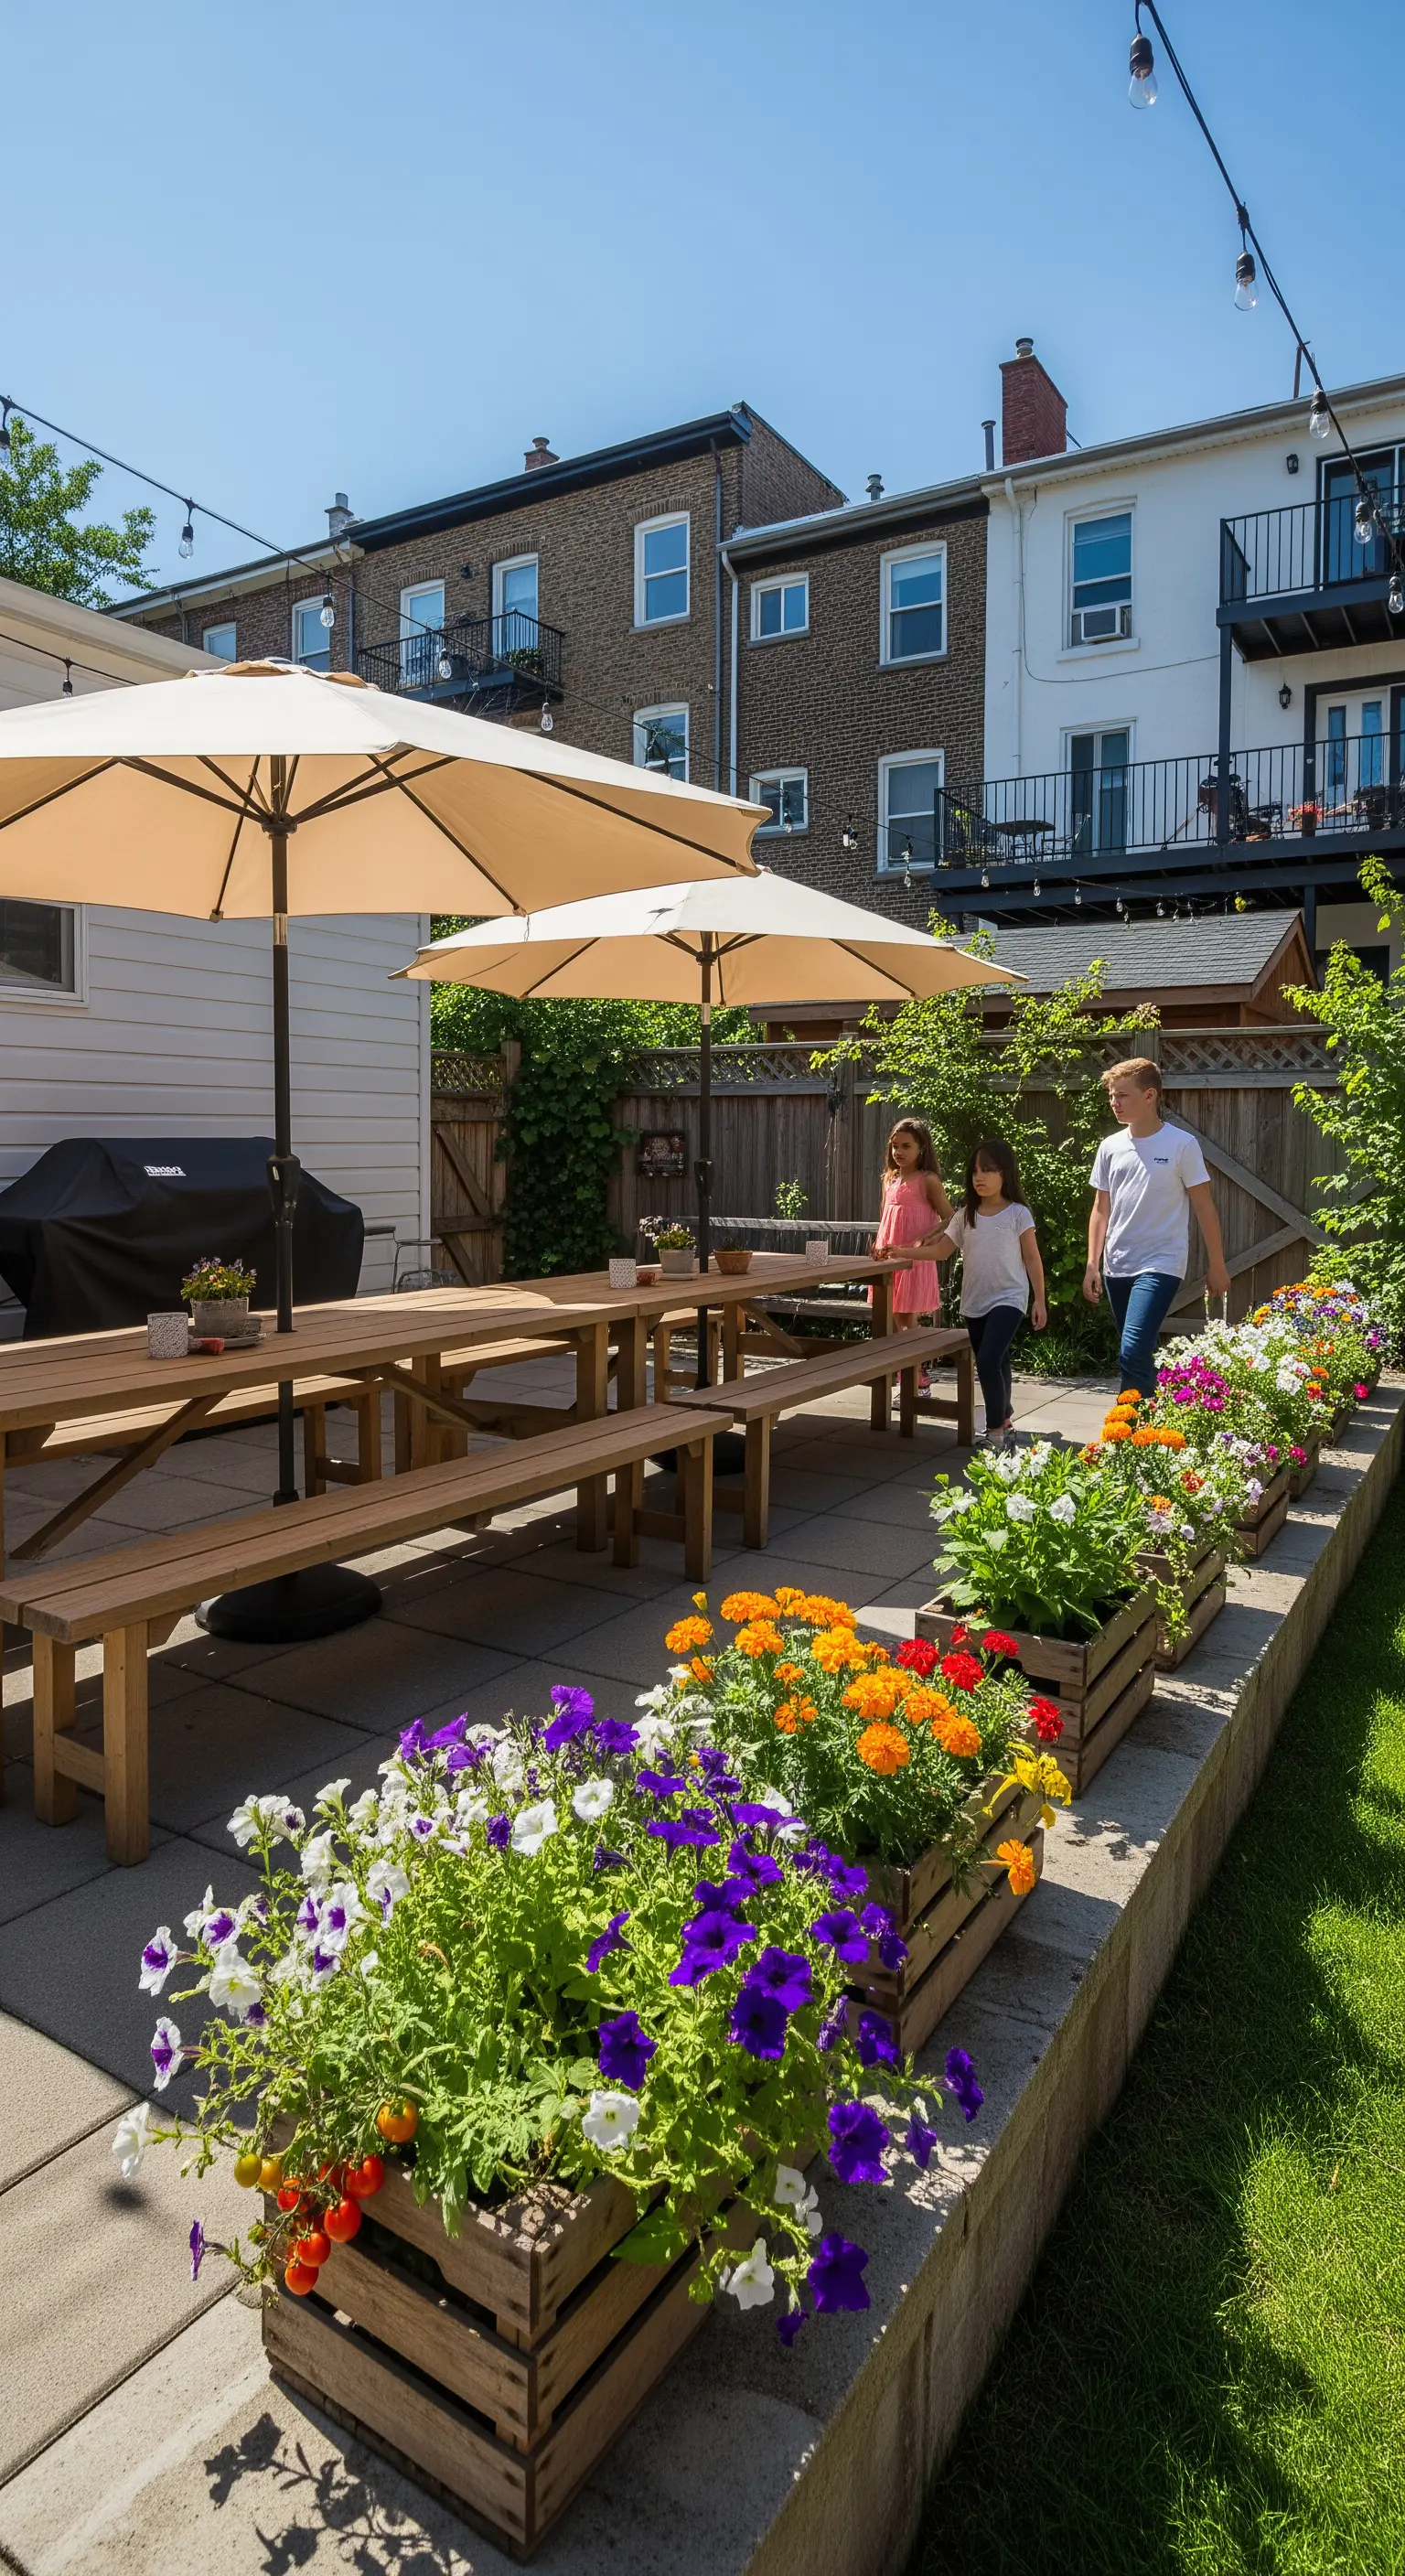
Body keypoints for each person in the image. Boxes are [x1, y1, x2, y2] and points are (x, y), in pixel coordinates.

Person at [1084, 1056, 1230, 1396]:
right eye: (1111, 1095)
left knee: (1132, 1350)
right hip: (1117, 1264)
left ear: (1149, 1096)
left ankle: (1129, 1431)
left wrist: (1218, 1265)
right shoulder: (1110, 1147)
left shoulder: (1181, 1145)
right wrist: (1093, 1262)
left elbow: (1206, 1208)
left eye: (1122, 1095)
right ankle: (1150, 1431)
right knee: (1137, 1352)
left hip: (1161, 1263)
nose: (1114, 1102)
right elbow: (1100, 1209)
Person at [928, 1139, 1046, 1446]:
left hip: (1010, 1298)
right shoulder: (966, 1215)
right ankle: (1005, 1418)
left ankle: (995, 1433)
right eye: (976, 1170)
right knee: (999, 1360)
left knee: (989, 1361)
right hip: (974, 1303)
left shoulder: (1019, 1214)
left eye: (988, 1170)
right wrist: (901, 1252)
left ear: (1005, 1174)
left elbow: (1032, 1258)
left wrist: (1040, 1300)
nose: (979, 1176)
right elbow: (941, 1251)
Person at [870, 1118, 951, 1379]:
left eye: (906, 1146)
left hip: (913, 1260)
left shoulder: (928, 1181)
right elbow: (887, 1219)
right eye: (895, 1146)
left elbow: (952, 1218)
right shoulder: (889, 1180)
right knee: (889, 1320)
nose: (899, 1152)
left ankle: (917, 1379)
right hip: (888, 1258)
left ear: (921, 1148)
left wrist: (931, 1233)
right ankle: (901, 1376)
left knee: (907, 1319)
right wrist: (878, 1246)